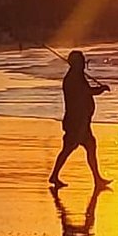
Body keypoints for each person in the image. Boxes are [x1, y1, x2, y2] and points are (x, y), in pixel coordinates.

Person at [49, 49, 111, 189]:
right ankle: (55, 176)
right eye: (81, 61)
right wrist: (102, 89)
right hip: (76, 122)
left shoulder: (77, 76)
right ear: (75, 63)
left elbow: (86, 91)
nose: (83, 64)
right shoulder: (73, 78)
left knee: (88, 146)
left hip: (81, 121)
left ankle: (97, 179)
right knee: (69, 148)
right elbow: (87, 92)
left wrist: (99, 89)